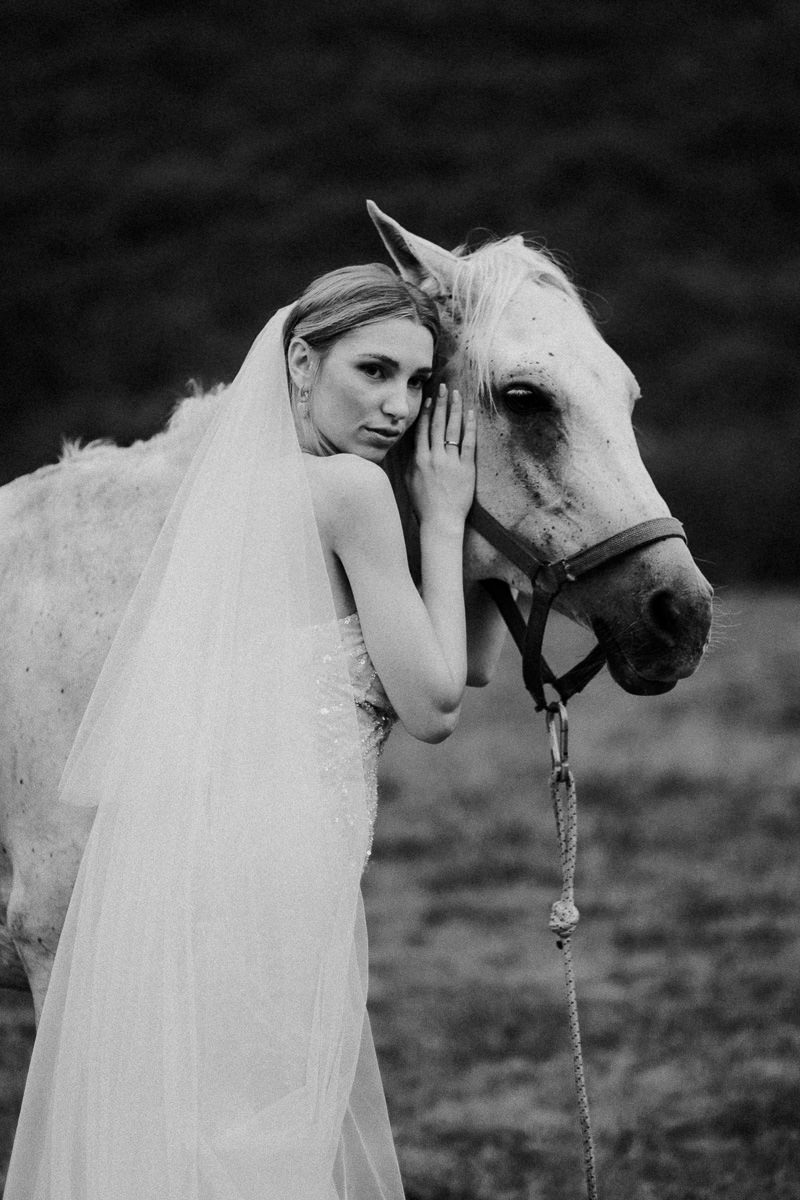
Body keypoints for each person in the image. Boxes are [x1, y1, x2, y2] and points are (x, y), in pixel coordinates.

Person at [5, 263, 507, 1200]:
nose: (399, 405)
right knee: (265, 1130)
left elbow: (467, 660)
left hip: (209, 858)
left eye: (417, 383)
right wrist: (441, 519)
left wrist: (473, 542)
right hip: (271, 865)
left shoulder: (234, 500)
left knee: (202, 1128)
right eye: (374, 371)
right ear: (301, 364)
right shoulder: (352, 495)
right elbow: (436, 705)